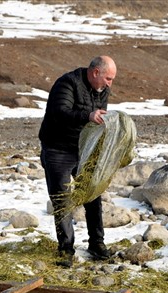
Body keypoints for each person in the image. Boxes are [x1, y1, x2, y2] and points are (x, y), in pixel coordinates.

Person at [39, 55, 117, 267]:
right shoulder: (67, 83)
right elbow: (59, 113)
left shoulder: (102, 89)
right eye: (108, 78)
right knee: (62, 199)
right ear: (95, 73)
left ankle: (97, 244)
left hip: (84, 149)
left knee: (93, 193)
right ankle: (65, 250)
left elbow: (97, 118)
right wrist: (88, 116)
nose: (110, 84)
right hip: (57, 149)